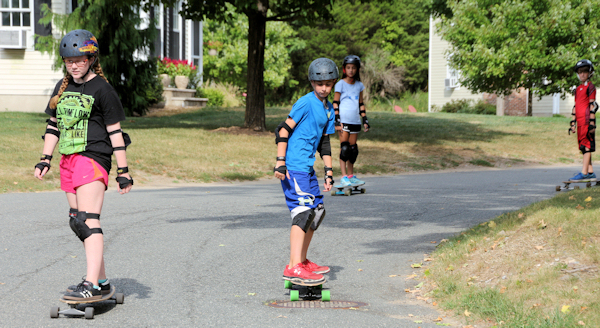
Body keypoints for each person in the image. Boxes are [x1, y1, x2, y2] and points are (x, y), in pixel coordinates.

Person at [34, 29, 133, 300]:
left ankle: (90, 284)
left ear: (91, 59)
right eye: (69, 61)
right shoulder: (62, 88)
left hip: (93, 157)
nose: (74, 65)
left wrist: (123, 172)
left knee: (89, 221)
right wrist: (45, 159)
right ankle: (100, 280)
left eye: (80, 59)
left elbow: (116, 132)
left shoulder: (103, 89)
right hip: (68, 158)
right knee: (78, 222)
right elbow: (53, 126)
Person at [273, 58, 337, 285]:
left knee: (317, 212)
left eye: (328, 84)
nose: (323, 88)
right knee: (303, 212)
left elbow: (325, 142)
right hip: (294, 167)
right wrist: (280, 161)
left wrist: (329, 171)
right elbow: (283, 129)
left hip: (307, 168)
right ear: (312, 82)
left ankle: (302, 260)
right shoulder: (305, 102)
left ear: (333, 83)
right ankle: (293, 267)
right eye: (319, 83)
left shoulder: (329, 109)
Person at [332, 55, 370, 187]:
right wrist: (337, 120)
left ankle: (350, 176)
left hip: (355, 121)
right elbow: (335, 102)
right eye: (348, 68)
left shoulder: (359, 85)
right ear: (344, 69)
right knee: (344, 149)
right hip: (343, 121)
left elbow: (361, 104)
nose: (351, 70)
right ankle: (343, 177)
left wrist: (365, 119)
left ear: (358, 70)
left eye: (353, 68)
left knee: (353, 150)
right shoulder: (340, 84)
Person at [569, 59, 597, 181]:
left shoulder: (590, 87)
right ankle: (590, 171)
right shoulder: (577, 89)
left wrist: (592, 123)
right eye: (580, 72)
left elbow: (593, 106)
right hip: (580, 122)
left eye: (585, 72)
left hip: (586, 121)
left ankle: (584, 172)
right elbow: (575, 106)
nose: (582, 74)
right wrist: (572, 123)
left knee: (587, 146)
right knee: (582, 146)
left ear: (590, 72)